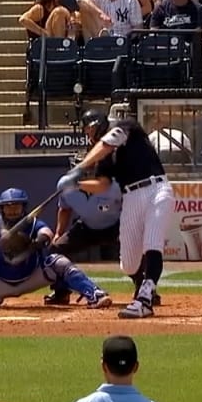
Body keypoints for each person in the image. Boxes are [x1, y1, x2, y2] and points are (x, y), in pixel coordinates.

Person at [58, 114, 175, 319]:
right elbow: (102, 184)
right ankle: (143, 286)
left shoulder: (126, 127)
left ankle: (145, 299)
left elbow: (107, 143)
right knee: (128, 264)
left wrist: (81, 167)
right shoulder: (104, 157)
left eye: (89, 130)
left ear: (99, 125)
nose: (88, 135)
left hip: (157, 188)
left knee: (152, 244)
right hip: (131, 196)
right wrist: (77, 184)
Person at [0, 188, 111, 310]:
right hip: (1, 279)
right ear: (2, 209)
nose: (12, 210)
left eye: (16, 206)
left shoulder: (32, 223)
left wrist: (36, 242)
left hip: (32, 276)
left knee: (58, 262)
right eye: (8, 207)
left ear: (23, 207)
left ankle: (93, 294)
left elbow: (47, 232)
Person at [43, 110, 124, 306]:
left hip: (116, 225)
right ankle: (61, 292)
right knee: (56, 250)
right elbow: (64, 210)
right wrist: (58, 233)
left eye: (89, 167)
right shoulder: (67, 187)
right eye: (81, 168)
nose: (86, 170)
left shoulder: (111, 182)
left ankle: (146, 291)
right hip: (86, 226)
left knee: (136, 249)